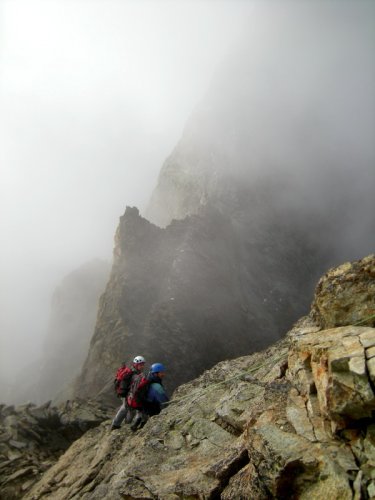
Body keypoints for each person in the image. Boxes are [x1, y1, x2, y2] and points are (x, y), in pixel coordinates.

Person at [130, 362, 169, 431]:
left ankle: (137, 425)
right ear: (155, 373)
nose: (163, 374)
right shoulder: (156, 386)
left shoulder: (148, 378)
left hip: (143, 404)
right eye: (161, 372)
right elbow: (165, 402)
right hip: (149, 406)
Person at [110, 355, 145, 430]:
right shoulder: (134, 375)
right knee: (127, 409)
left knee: (126, 408)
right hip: (127, 394)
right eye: (140, 365)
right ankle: (117, 425)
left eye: (143, 364)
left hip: (126, 393)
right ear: (136, 365)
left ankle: (116, 424)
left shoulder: (132, 372)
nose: (142, 366)